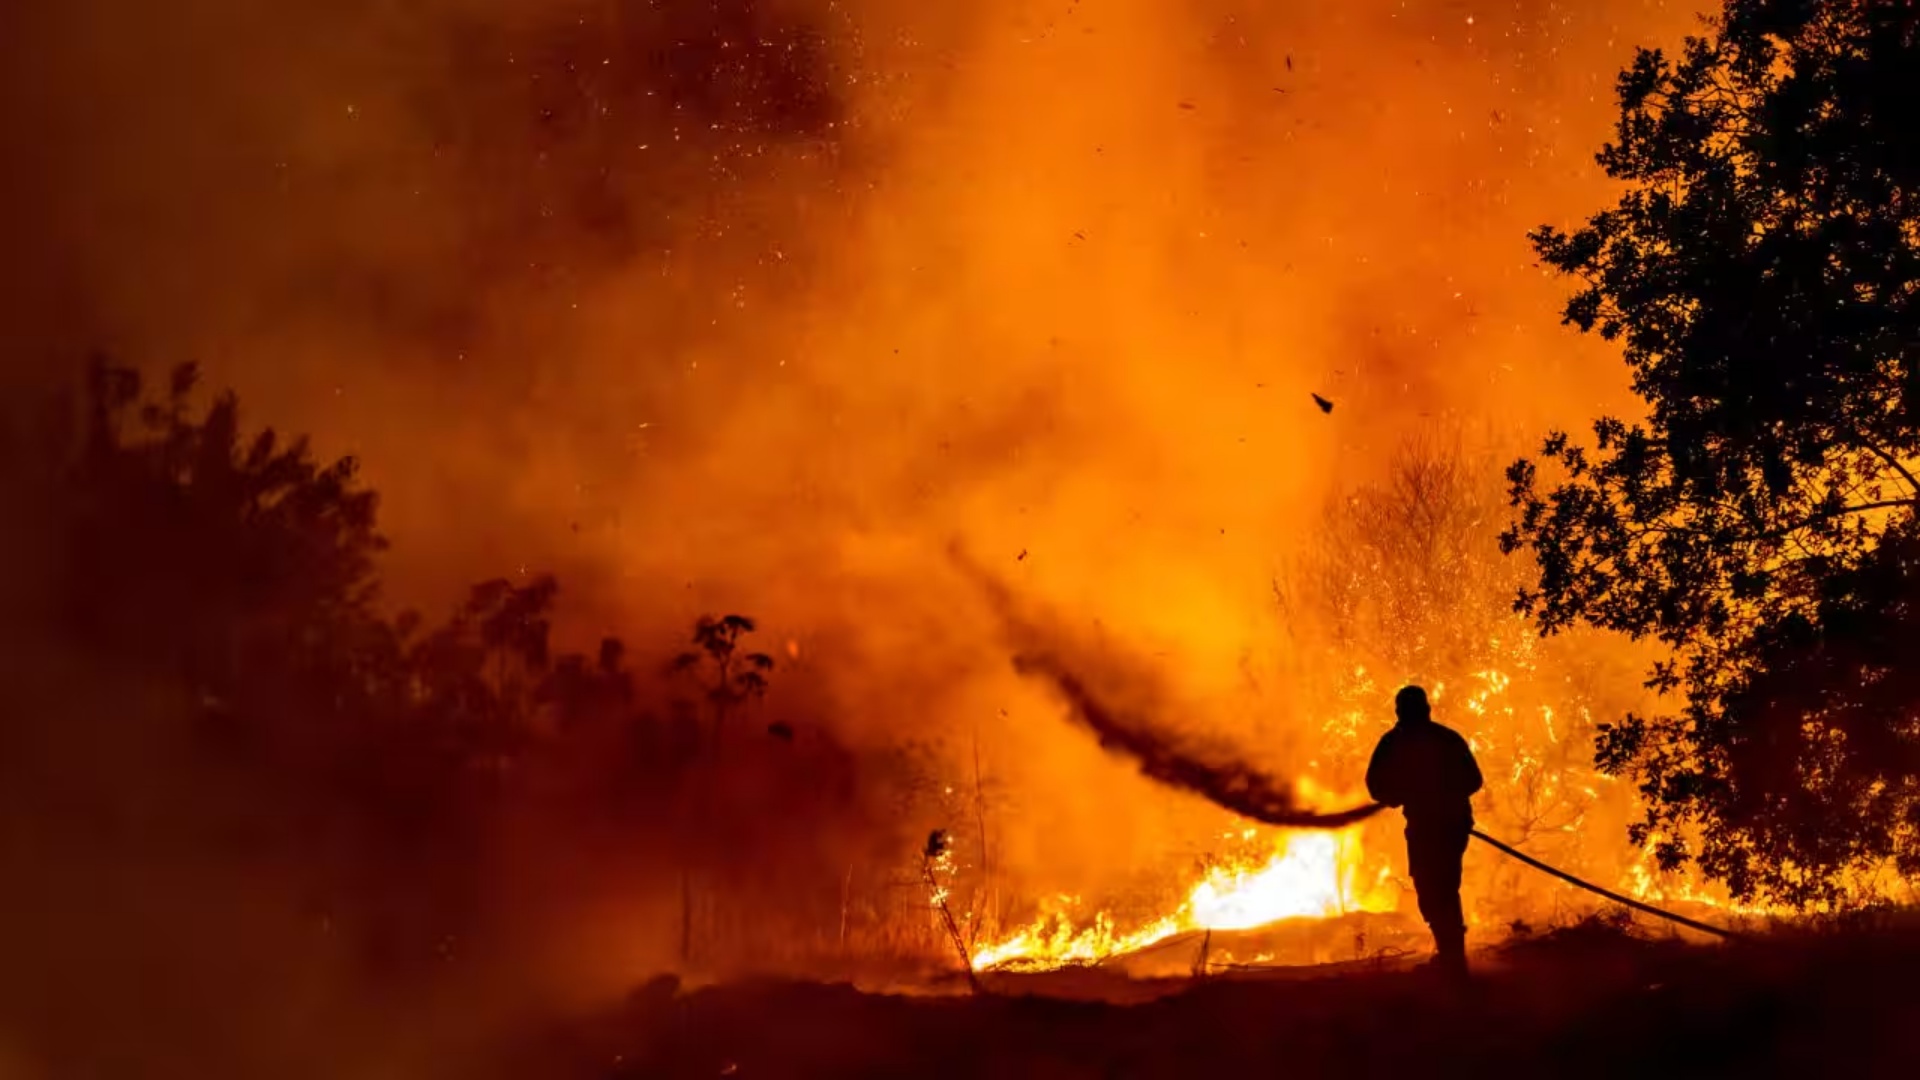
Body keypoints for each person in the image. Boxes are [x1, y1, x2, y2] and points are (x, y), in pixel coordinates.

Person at [1365, 684, 1483, 979]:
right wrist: (1399, 793)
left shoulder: (1408, 741)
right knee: (1436, 891)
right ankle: (1452, 956)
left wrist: (1429, 792)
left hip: (1444, 825)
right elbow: (1376, 786)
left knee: (1438, 889)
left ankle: (1453, 960)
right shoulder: (1434, 739)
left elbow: (1472, 779)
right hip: (1435, 825)